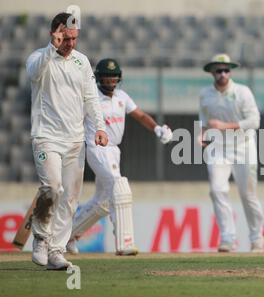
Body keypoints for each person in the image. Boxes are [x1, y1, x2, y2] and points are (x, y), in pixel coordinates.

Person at [66, 58, 173, 255]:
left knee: (102, 202)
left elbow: (140, 115)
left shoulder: (122, 96)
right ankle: (124, 242)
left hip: (114, 150)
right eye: (106, 78)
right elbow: (73, 122)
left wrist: (157, 128)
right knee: (119, 186)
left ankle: (66, 236)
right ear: (99, 79)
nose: (110, 82)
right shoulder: (91, 98)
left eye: (113, 78)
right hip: (96, 148)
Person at [26, 13, 108, 270]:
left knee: (70, 198)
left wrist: (100, 127)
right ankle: (40, 237)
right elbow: (33, 73)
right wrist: (52, 48)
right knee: (52, 187)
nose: (71, 43)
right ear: (55, 34)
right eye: (66, 38)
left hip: (75, 140)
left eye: (74, 38)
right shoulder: (40, 58)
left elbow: (91, 99)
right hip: (46, 137)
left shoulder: (81, 62)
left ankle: (56, 251)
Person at [199, 53, 264, 253]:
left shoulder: (242, 92)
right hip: (218, 147)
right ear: (212, 72)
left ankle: (257, 238)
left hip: (244, 147)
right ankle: (228, 238)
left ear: (230, 72)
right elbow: (204, 121)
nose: (223, 74)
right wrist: (200, 135)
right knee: (217, 190)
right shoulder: (205, 94)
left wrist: (224, 126)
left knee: (248, 195)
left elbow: (254, 121)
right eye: (218, 70)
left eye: (226, 70)